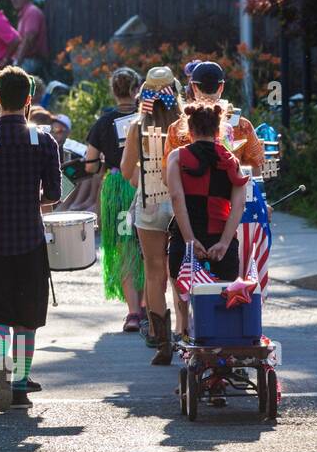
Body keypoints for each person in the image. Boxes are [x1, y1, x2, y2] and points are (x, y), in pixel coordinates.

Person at [0, 67, 61, 411]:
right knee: (27, 319)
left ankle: (0, 363)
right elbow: (53, 195)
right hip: (30, 241)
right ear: (30, 99)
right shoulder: (44, 141)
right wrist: (29, 200)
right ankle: (18, 383)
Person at [121, 66, 183, 362]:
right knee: (184, 270)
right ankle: (186, 331)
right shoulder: (185, 124)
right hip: (182, 202)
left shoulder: (137, 127)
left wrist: (144, 181)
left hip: (150, 203)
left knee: (154, 270)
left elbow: (125, 170)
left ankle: (162, 342)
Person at [84, 67, 146, 330]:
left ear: (114, 91)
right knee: (148, 248)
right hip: (144, 184)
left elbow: (89, 164)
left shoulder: (103, 122)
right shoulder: (147, 119)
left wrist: (103, 167)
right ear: (136, 90)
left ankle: (133, 312)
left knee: (124, 247)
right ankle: (147, 307)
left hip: (116, 188)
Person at [166, 100, 249, 289]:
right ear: (218, 132)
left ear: (190, 131)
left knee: (183, 308)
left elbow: (177, 198)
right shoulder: (231, 161)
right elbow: (239, 205)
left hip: (185, 238)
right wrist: (225, 243)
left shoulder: (177, 157)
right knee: (222, 308)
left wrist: (189, 240)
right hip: (220, 242)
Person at [7, 0, 48, 74]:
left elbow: (29, 38)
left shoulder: (31, 12)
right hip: (27, 59)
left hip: (33, 60)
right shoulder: (24, 13)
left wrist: (18, 62)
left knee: (12, 81)